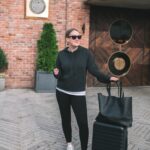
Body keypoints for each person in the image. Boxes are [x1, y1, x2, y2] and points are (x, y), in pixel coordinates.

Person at [53, 28, 119, 150]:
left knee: (83, 123)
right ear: (67, 39)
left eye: (79, 36)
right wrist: (56, 74)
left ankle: (84, 148)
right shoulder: (61, 54)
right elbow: (59, 72)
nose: (77, 39)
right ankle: (69, 143)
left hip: (78, 93)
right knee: (65, 119)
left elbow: (94, 70)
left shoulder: (86, 53)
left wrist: (108, 78)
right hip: (62, 92)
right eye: (74, 37)